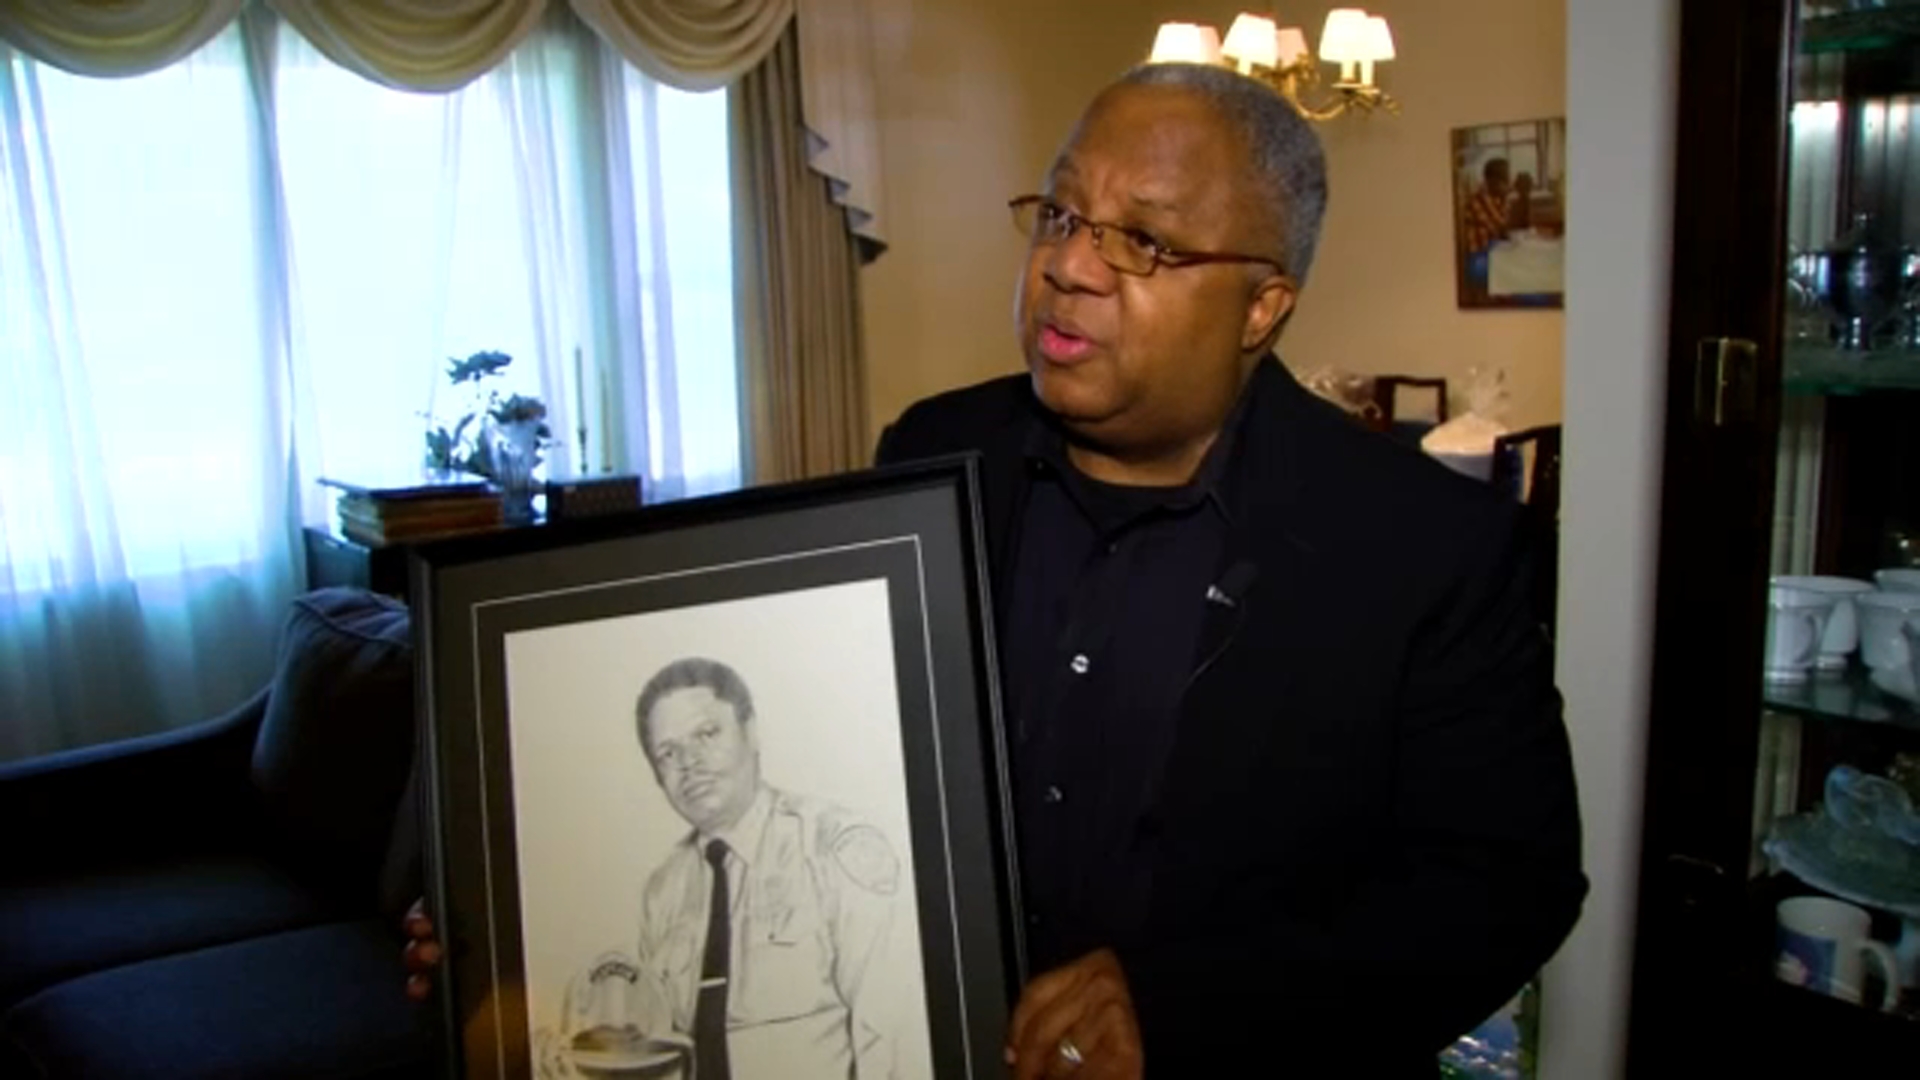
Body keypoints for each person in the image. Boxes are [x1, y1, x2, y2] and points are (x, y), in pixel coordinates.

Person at [414, 61, 1586, 1078]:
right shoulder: (931, 454)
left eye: (1144, 241)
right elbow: (805, 768)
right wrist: (525, 909)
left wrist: (1189, 1010)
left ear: (1261, 306)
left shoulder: (1426, 546)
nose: (1070, 268)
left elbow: (1505, 886)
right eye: (1061, 216)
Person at [537, 657, 919, 1079]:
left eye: (706, 733)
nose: (690, 762)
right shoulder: (663, 890)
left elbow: (889, 1034)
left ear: (752, 732)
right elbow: (665, 1051)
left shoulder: (832, 846)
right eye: (668, 752)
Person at [1463, 156, 1514, 255]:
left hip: (1490, 250)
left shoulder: (1496, 198)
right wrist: (1505, 198)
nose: (1509, 184)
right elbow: (1500, 230)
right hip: (1477, 255)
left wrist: (1504, 199)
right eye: (1506, 181)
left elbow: (1505, 229)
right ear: (1492, 181)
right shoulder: (1479, 199)